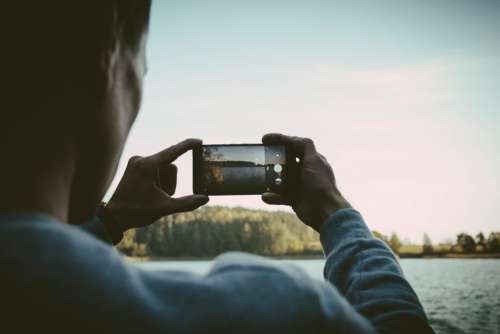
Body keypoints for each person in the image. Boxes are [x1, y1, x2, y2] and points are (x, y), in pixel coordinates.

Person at [0, 1, 434, 333]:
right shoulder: (278, 312)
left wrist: (110, 220)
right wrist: (339, 217)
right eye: (141, 72)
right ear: (108, 55)